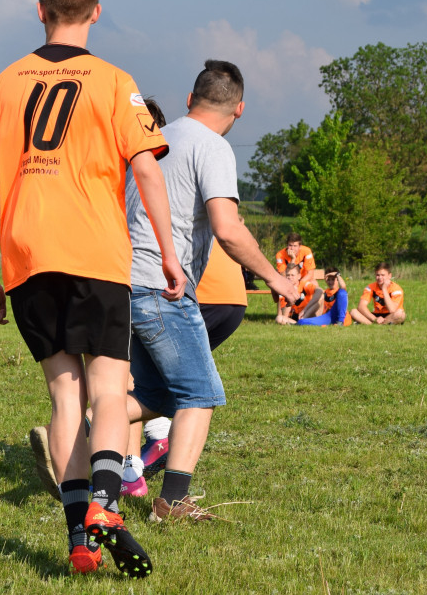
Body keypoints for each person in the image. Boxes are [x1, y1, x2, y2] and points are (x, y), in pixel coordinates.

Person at [0, 0, 185, 578]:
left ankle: (76, 537)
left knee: (65, 396)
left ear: (40, 11)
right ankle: (107, 506)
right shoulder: (115, 82)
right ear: (95, 12)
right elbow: (145, 169)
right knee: (110, 391)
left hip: (28, 259)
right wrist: (168, 253)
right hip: (95, 255)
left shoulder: (3, 83)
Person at [124, 60, 298, 523]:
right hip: (164, 286)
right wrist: (279, 281)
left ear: (188, 100)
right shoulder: (213, 147)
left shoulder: (157, 137)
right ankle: (172, 502)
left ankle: (70, 435)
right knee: (200, 392)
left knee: (155, 393)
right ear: (239, 109)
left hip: (122, 279)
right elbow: (228, 229)